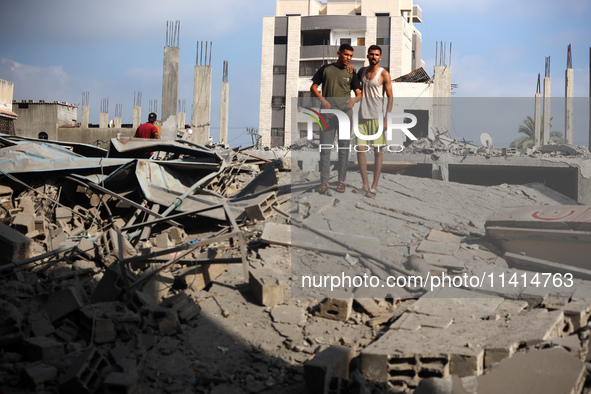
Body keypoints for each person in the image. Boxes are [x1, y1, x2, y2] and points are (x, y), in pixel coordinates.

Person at [310, 43, 362, 194]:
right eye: (346, 54)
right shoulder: (326, 69)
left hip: (345, 114)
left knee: (343, 149)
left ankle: (341, 181)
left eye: (351, 56)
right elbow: (313, 87)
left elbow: (359, 94)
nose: (348, 58)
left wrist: (353, 101)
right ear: (339, 53)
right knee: (325, 149)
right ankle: (324, 182)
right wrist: (323, 100)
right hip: (327, 115)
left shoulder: (352, 72)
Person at [353, 45, 393, 198]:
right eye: (371, 54)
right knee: (360, 151)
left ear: (380, 57)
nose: (374, 57)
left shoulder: (384, 74)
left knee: (377, 152)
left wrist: (386, 118)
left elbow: (390, 97)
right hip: (362, 116)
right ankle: (365, 185)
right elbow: (355, 83)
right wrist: (351, 68)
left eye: (376, 55)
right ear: (368, 56)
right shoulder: (362, 71)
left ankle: (374, 186)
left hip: (377, 118)